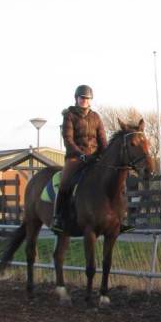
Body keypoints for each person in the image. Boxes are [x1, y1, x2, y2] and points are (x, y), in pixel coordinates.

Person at [50, 84, 108, 233]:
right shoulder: (69, 115)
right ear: (76, 99)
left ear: (90, 100)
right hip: (75, 157)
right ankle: (58, 217)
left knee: (111, 178)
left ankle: (117, 217)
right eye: (82, 98)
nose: (84, 101)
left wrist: (104, 154)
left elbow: (102, 138)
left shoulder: (96, 117)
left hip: (94, 157)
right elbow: (68, 139)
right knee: (65, 182)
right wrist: (79, 154)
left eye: (87, 98)